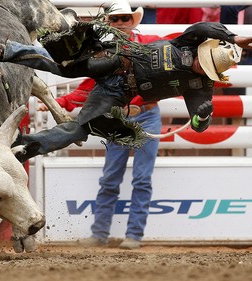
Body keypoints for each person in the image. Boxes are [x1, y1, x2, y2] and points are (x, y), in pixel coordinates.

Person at [0, 21, 252, 163]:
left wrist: (203, 115)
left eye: (206, 68)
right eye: (204, 61)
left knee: (81, 129)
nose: (200, 68)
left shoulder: (200, 87)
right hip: (116, 58)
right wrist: (231, 37)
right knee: (65, 67)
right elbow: (205, 26)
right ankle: (4, 49)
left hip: (119, 92)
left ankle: (20, 148)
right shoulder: (189, 41)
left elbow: (200, 127)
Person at [38, 0, 163, 249]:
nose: (120, 23)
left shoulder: (150, 45)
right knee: (111, 178)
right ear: (110, 23)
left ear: (132, 21)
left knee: (140, 179)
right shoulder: (107, 51)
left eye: (124, 19)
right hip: (124, 116)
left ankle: (130, 236)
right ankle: (105, 234)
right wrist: (60, 101)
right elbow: (89, 89)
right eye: (115, 20)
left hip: (141, 115)